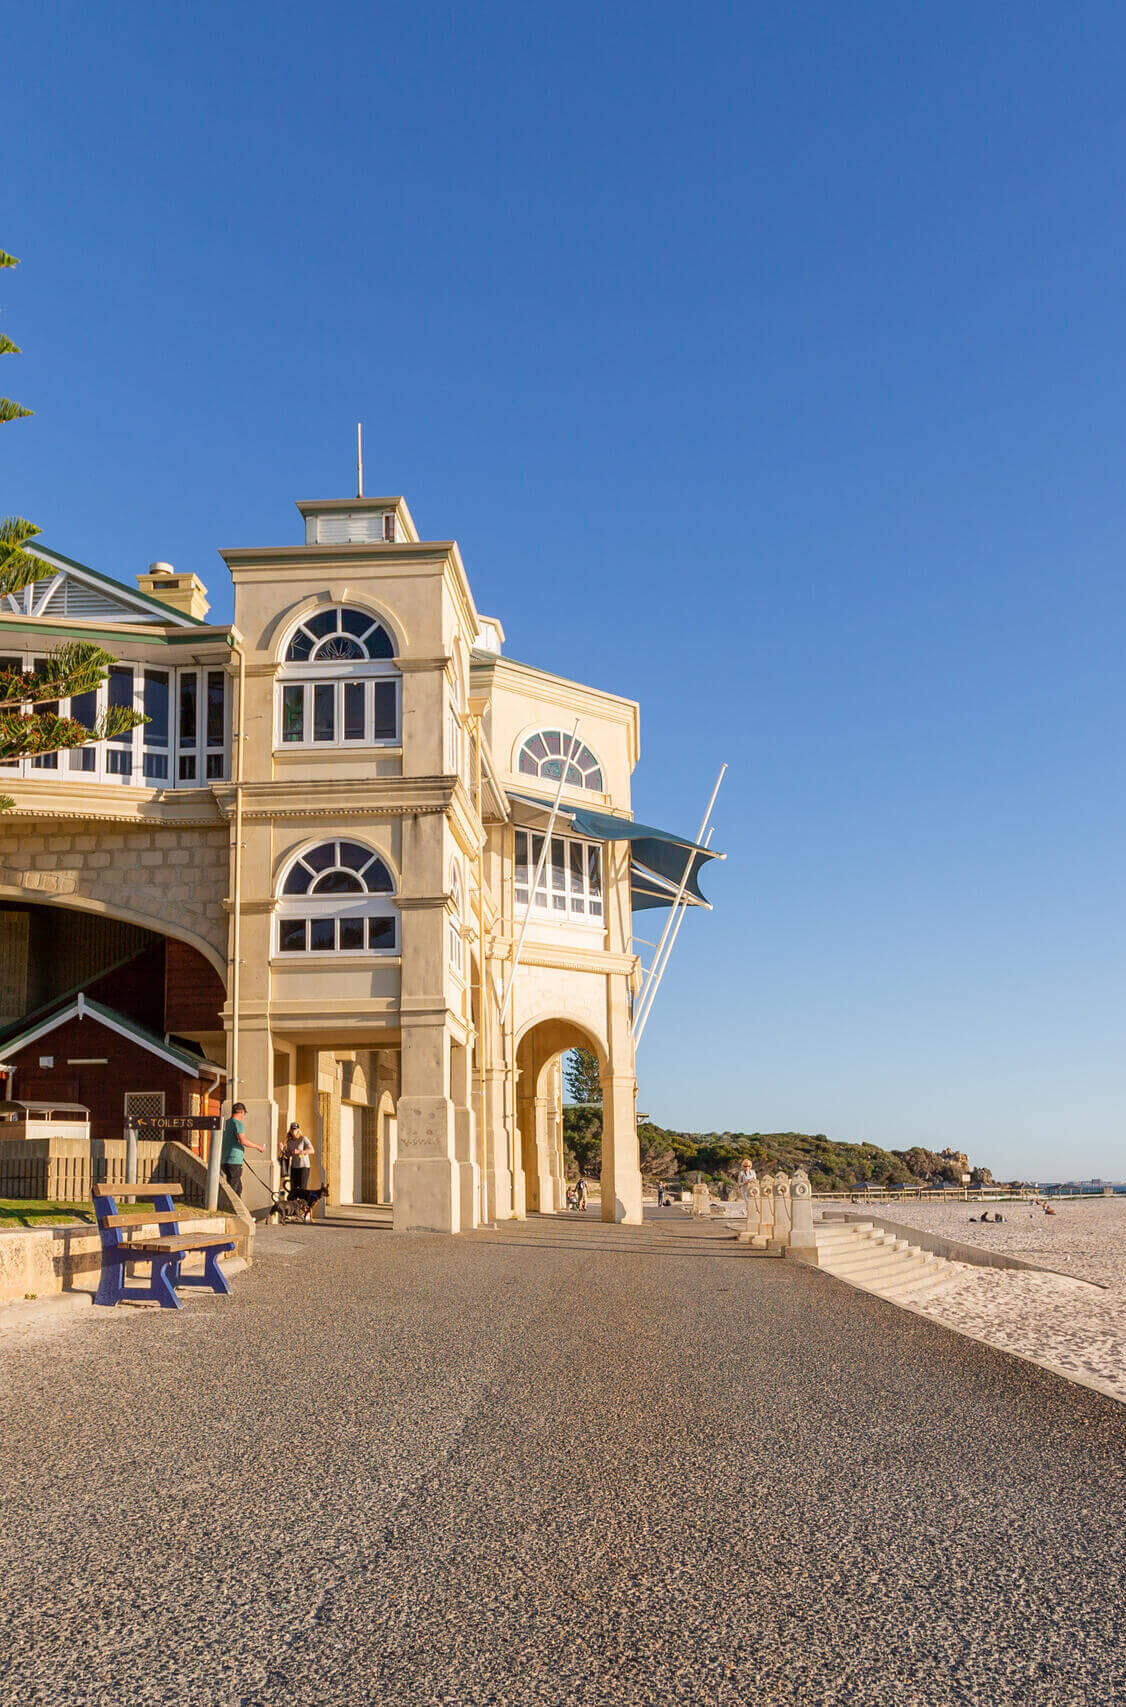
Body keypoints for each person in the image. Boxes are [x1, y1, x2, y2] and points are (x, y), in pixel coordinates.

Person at [220, 1101, 265, 1198]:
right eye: (244, 1113)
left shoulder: (225, 1123)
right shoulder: (238, 1124)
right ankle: (231, 1210)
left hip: (224, 1159)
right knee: (233, 1189)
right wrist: (258, 1146)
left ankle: (236, 1210)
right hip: (234, 1160)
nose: (244, 1115)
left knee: (238, 1188)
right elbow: (243, 1141)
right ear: (241, 1112)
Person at [283, 1122, 314, 1196]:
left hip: (304, 1167)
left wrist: (300, 1151)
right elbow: (289, 1155)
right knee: (294, 1190)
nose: (294, 1131)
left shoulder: (303, 1139)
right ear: (290, 1130)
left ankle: (303, 1206)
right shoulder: (289, 1142)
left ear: (298, 1130)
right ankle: (295, 1206)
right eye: (292, 1129)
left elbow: (312, 1150)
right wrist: (282, 1150)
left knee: (302, 1189)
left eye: (295, 1129)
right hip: (294, 1167)